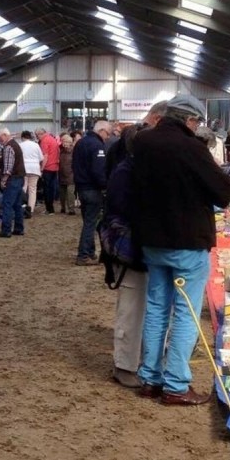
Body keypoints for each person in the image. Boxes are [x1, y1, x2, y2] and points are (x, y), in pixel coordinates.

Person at [129, 94, 230, 405]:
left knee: (157, 308)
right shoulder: (191, 148)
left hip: (151, 240)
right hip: (187, 241)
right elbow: (223, 192)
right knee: (186, 312)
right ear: (190, 120)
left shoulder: (142, 143)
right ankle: (175, 384)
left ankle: (150, 378)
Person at [105, 139, 149, 389]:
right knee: (131, 307)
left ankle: (132, 361)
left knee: (136, 307)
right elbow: (123, 210)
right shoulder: (126, 173)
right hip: (130, 249)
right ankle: (123, 365)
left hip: (136, 247)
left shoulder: (129, 170)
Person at [72, 120, 110, 265]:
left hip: (81, 188)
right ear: (102, 131)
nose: (107, 137)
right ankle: (83, 255)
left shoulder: (80, 143)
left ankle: (90, 251)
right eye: (107, 133)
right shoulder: (97, 145)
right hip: (92, 189)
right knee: (90, 223)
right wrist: (105, 185)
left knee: (88, 221)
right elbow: (98, 170)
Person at [0, 127, 25, 238]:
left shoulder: (8, 147)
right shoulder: (15, 144)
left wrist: (3, 180)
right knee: (17, 205)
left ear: (4, 135)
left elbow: (8, 167)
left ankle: (6, 230)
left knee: (7, 204)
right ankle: (19, 228)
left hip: (12, 180)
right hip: (19, 178)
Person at [19, 131, 43, 217]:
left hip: (23, 169)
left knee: (23, 188)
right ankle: (31, 209)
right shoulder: (36, 145)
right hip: (35, 169)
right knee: (33, 190)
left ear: (22, 137)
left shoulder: (20, 145)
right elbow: (41, 158)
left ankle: (22, 207)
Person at [36, 128, 60, 215]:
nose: (37, 137)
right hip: (55, 167)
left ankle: (49, 209)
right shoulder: (52, 139)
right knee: (52, 188)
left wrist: (42, 168)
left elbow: (45, 156)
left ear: (40, 134)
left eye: (37, 135)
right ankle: (51, 208)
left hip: (48, 167)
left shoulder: (44, 141)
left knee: (46, 189)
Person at [58, 134, 76, 215]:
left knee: (70, 192)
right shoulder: (60, 150)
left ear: (70, 142)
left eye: (66, 142)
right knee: (62, 192)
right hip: (61, 173)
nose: (64, 143)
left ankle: (71, 209)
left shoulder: (74, 150)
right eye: (63, 141)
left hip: (71, 174)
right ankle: (63, 207)